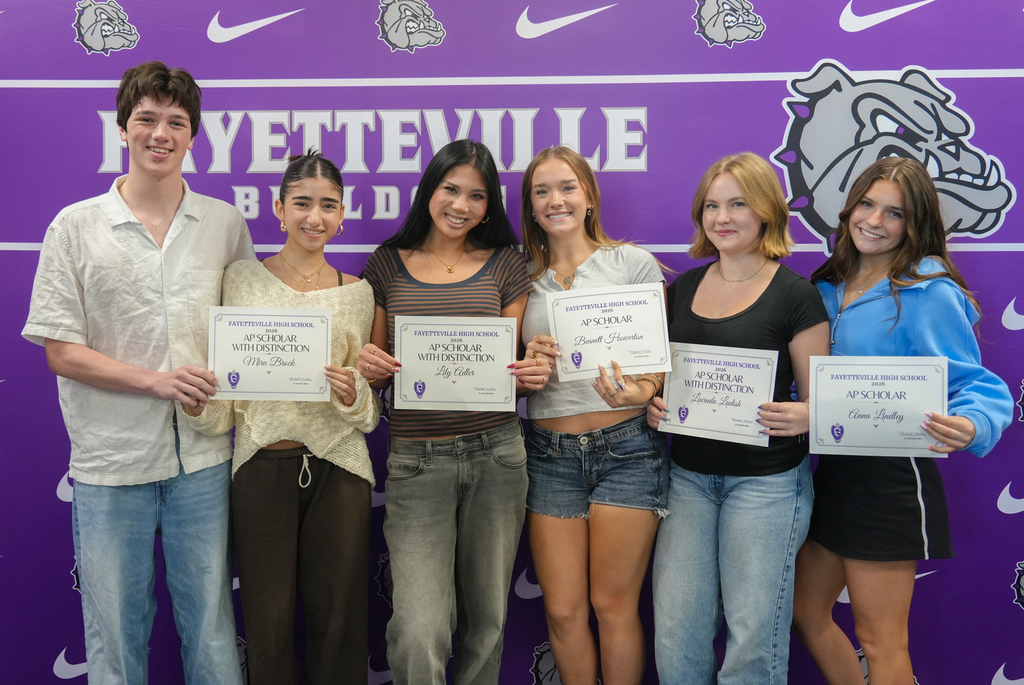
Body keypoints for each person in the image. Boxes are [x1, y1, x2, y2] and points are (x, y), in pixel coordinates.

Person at [22, 61, 254, 684]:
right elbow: (60, 350)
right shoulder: (74, 228)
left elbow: (253, 335)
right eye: (147, 118)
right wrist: (155, 381)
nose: (161, 133)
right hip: (110, 461)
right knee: (115, 631)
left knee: (209, 626)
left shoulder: (226, 225)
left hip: (203, 459)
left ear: (192, 135)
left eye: (176, 122)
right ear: (122, 127)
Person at [792, 157, 1013, 685]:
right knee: (805, 611)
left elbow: (977, 386)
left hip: (893, 481)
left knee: (881, 639)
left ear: (915, 225)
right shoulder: (826, 288)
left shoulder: (928, 291)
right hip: (833, 477)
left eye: (894, 213)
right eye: (867, 204)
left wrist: (974, 423)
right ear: (848, 209)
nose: (874, 220)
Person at [181, 151, 379, 685]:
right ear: (279, 208)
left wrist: (351, 393)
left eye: (328, 206)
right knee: (266, 623)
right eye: (302, 203)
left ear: (343, 215)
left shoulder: (359, 293)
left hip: (339, 467)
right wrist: (197, 405)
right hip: (260, 465)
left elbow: (368, 414)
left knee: (338, 618)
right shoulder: (240, 280)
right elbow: (224, 405)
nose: (315, 217)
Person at [356, 139, 546, 685]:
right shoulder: (387, 264)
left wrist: (534, 368)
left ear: (490, 206)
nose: (461, 205)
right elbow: (379, 373)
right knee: (419, 626)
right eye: (451, 189)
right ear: (430, 190)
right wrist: (371, 367)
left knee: (487, 620)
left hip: (498, 456)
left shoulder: (508, 266)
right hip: (417, 461)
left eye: (477, 196)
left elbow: (512, 365)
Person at [647, 152, 830, 684]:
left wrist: (806, 415)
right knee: (677, 630)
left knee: (753, 638)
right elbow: (661, 380)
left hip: (767, 487)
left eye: (738, 204)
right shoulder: (680, 289)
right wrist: (656, 404)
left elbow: (821, 403)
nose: (722, 217)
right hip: (688, 482)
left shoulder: (798, 296)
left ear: (767, 212)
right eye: (711, 206)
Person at [519, 146, 668, 685]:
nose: (555, 200)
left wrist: (640, 391)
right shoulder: (517, 273)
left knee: (612, 605)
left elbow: (659, 368)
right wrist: (526, 364)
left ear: (588, 196)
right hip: (548, 454)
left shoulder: (631, 263)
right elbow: (499, 366)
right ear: (530, 205)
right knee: (562, 611)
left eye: (566, 188)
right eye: (542, 191)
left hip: (625, 450)